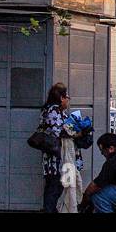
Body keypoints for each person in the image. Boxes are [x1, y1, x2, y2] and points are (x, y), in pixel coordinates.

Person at [38, 82, 82, 213]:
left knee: (62, 188)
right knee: (54, 187)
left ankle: (58, 209)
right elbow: (60, 132)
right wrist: (77, 132)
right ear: (62, 98)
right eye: (67, 98)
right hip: (56, 160)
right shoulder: (52, 111)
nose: (68, 101)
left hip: (62, 158)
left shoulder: (57, 111)